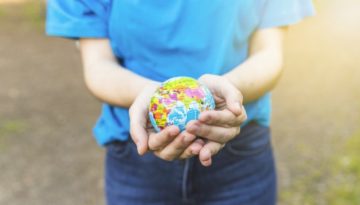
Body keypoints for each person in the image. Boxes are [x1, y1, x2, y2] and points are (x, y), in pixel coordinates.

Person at [46, 1, 314, 204]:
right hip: (136, 153)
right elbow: (98, 66)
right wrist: (155, 97)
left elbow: (269, 54)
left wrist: (227, 93)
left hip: (239, 153)